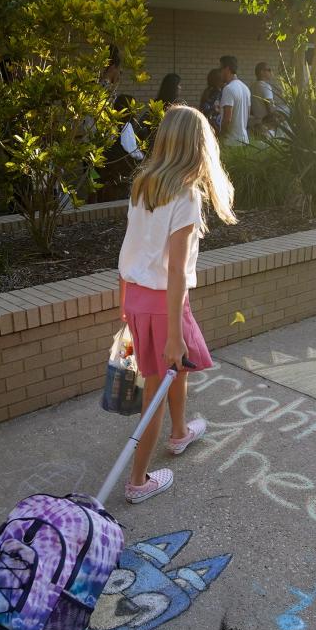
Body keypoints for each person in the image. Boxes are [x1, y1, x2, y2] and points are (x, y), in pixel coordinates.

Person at [118, 105, 237, 504]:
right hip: (163, 304)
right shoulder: (185, 195)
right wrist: (173, 334)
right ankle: (137, 482)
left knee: (176, 371)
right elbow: (174, 272)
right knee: (155, 389)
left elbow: (130, 250)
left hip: (137, 298)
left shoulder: (144, 184)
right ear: (198, 146)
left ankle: (181, 432)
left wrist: (125, 308)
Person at [218, 55, 251, 146]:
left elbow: (227, 119)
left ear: (227, 69)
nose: (220, 73)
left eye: (220, 69)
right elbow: (247, 115)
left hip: (231, 142)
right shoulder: (245, 88)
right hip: (244, 140)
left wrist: (221, 137)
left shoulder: (228, 89)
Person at [249, 62, 279, 137]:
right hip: (266, 128)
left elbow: (251, 110)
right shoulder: (265, 86)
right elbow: (270, 109)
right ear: (262, 72)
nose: (271, 72)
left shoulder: (252, 87)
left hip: (255, 125)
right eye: (269, 70)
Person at [199, 69, 225, 135]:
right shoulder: (218, 93)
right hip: (215, 127)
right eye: (222, 79)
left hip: (207, 125)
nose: (224, 82)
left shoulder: (207, 91)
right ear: (218, 80)